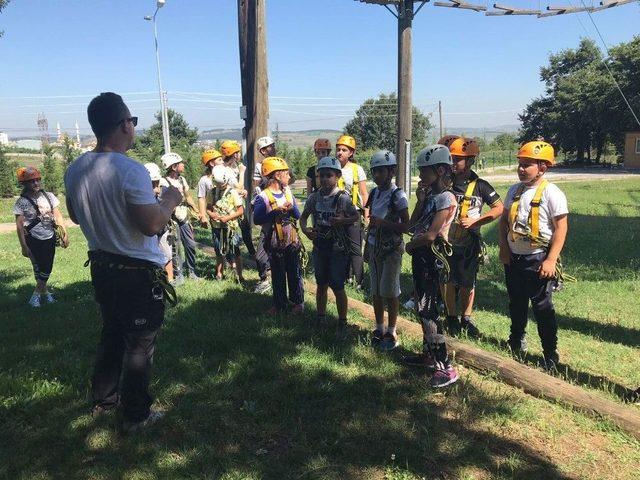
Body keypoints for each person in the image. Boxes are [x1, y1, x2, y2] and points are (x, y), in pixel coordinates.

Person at [64, 92, 183, 432]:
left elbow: (74, 214)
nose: (134, 127)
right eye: (132, 121)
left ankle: (104, 400)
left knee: (113, 334)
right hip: (135, 273)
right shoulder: (129, 169)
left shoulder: (76, 169)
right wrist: (171, 200)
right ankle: (135, 415)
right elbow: (152, 224)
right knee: (140, 343)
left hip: (102, 267)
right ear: (123, 125)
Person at [498, 141, 568, 371]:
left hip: (537, 259)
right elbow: (503, 222)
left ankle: (550, 352)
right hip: (515, 258)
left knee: (542, 306)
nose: (520, 169)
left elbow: (561, 229)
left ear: (543, 167)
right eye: (519, 164)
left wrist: (550, 260)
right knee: (516, 302)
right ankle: (516, 339)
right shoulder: (514, 191)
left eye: (526, 165)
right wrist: (504, 248)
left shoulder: (552, 192)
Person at [403, 145, 459, 388]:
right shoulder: (430, 198)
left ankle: (445, 365)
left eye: (425, 171)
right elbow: (411, 225)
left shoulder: (445, 198)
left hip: (430, 259)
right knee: (421, 307)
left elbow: (431, 235)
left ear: (440, 170)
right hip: (421, 257)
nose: (421, 175)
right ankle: (429, 355)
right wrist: (420, 201)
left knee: (429, 310)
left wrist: (410, 246)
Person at [444, 137, 503, 336]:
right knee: (448, 280)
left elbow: (498, 208)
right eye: (450, 158)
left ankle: (466, 319)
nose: (452, 163)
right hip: (447, 242)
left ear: (470, 161)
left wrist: (476, 222)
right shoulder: (446, 183)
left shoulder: (481, 186)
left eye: (457, 159)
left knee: (468, 283)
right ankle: (451, 317)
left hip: (469, 243)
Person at [300, 156, 359, 332]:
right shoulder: (314, 198)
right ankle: (321, 316)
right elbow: (303, 218)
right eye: (322, 175)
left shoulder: (343, 198)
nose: (325, 179)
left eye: (329, 175)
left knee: (338, 285)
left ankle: (342, 320)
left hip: (337, 248)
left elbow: (356, 217)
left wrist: (342, 220)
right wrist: (305, 231)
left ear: (337, 176)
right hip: (320, 246)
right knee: (321, 283)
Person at [365, 150, 410, 351]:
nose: (376, 176)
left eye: (380, 171)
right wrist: (367, 247)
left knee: (390, 291)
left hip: (391, 249)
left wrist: (384, 223)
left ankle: (392, 331)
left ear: (391, 171)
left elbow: (406, 226)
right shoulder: (374, 193)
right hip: (375, 247)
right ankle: (379, 328)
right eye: (374, 172)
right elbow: (371, 224)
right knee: (376, 290)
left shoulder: (397, 195)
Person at [253, 157, 304, 315]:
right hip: (274, 241)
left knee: (294, 271)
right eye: (286, 174)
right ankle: (279, 303)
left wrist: (290, 207)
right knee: (278, 273)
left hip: (291, 239)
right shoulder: (263, 197)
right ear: (276, 176)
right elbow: (257, 219)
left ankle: (297, 303)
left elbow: (297, 214)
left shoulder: (287, 192)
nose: (289, 177)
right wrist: (275, 212)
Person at [14, 166, 69, 307]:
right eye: (32, 181)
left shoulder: (49, 196)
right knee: (38, 268)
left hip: (49, 236)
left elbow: (58, 215)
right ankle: (41, 295)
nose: (36, 183)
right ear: (25, 184)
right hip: (32, 238)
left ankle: (38, 295)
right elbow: (20, 225)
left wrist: (64, 234)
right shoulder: (21, 202)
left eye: (38, 180)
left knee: (47, 266)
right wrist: (23, 246)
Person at [159, 152, 201, 281]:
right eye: (180, 163)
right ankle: (179, 275)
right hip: (172, 219)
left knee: (190, 245)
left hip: (184, 217)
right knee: (174, 247)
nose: (183, 165)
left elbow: (187, 196)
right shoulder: (164, 182)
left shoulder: (182, 180)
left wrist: (196, 211)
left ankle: (192, 272)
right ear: (173, 167)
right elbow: (165, 203)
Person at [335, 135, 368, 288]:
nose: (340, 152)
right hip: (336, 214)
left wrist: (367, 214)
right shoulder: (332, 168)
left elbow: (363, 193)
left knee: (355, 247)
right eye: (338, 149)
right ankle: (344, 277)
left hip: (354, 213)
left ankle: (359, 281)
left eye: (344, 150)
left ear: (351, 153)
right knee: (340, 247)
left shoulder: (357, 169)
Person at [206, 164, 245, 282]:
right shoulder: (212, 192)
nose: (220, 187)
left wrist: (227, 218)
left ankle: (239, 275)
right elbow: (208, 208)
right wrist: (212, 214)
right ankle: (219, 273)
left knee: (235, 250)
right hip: (216, 226)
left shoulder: (232, 192)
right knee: (218, 250)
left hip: (230, 228)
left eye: (221, 185)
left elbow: (240, 210)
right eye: (218, 185)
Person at [252, 136, 276, 294]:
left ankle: (271, 278)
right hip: (267, 208)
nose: (273, 148)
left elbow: (290, 179)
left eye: (273, 145)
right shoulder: (259, 166)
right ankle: (265, 276)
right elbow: (257, 186)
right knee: (262, 250)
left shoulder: (280, 162)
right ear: (263, 150)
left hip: (279, 208)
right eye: (270, 147)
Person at [144, 162, 174, 283]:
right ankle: (155, 279)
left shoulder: (161, 190)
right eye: (153, 183)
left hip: (162, 228)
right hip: (150, 229)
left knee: (166, 255)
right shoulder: (142, 193)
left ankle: (169, 280)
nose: (156, 188)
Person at [197, 149, 225, 227]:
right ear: (212, 163)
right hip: (214, 215)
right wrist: (203, 216)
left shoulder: (226, 176)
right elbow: (201, 198)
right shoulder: (204, 180)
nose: (222, 162)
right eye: (219, 160)